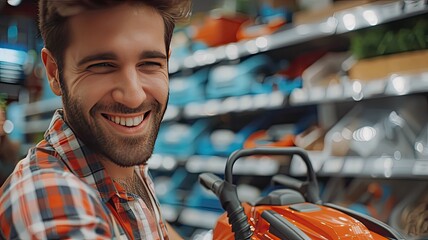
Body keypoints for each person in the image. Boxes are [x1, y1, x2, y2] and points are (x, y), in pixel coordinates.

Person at [0, 0, 191, 239]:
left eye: (150, 64)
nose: (133, 97)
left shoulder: (122, 161)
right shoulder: (48, 197)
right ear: (54, 73)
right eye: (102, 65)